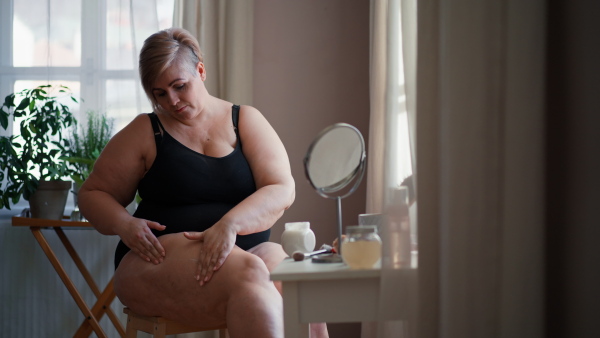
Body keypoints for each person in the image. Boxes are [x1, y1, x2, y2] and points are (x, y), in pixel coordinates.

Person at [78, 27, 328, 338]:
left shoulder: (244, 120)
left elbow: (281, 188)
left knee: (298, 283)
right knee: (248, 273)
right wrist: (123, 224)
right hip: (155, 260)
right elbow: (91, 194)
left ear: (200, 70)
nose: (171, 101)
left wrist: (229, 225)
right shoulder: (146, 131)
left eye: (179, 86)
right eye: (159, 93)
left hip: (247, 250)